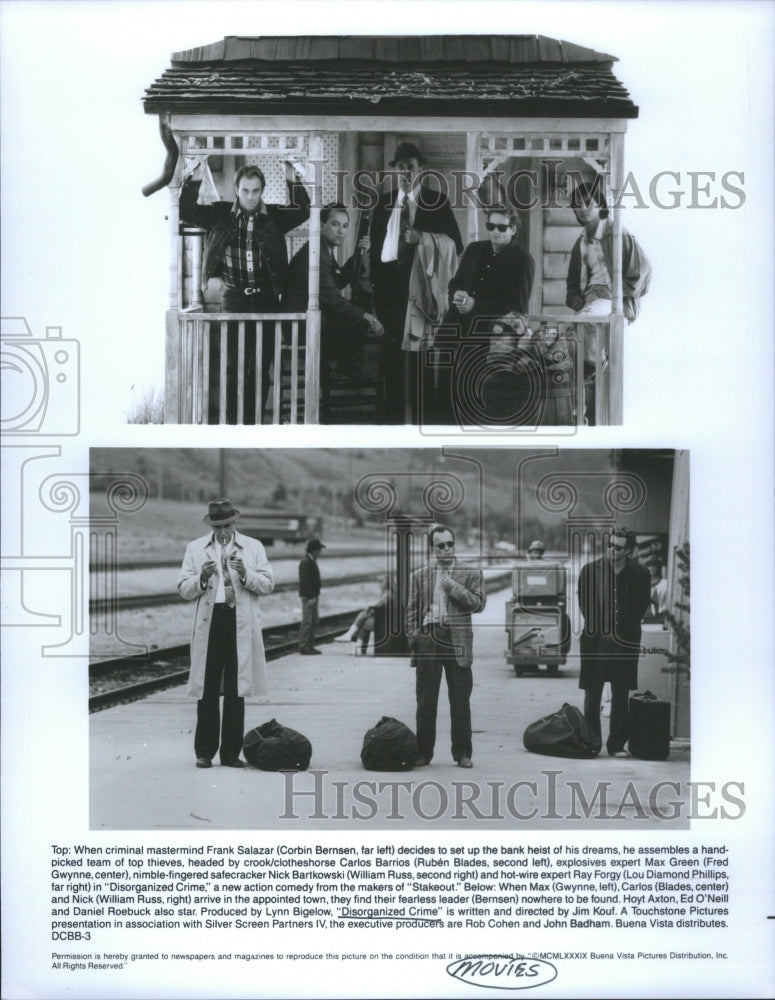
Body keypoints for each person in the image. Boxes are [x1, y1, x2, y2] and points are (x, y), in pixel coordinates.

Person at [179, 159, 310, 423]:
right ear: (237, 190)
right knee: (233, 366)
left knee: (260, 368)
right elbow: (185, 210)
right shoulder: (219, 213)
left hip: (266, 299)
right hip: (234, 297)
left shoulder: (273, 216)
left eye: (256, 191)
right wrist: (193, 176)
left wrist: (291, 175)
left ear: (262, 191)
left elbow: (303, 211)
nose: (250, 197)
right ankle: (232, 423)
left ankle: (254, 424)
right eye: (245, 190)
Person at [177, 498, 274, 769]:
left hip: (239, 622)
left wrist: (246, 575)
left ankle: (231, 753)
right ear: (210, 525)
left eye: (227, 526)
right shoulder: (195, 549)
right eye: (217, 527)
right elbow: (184, 588)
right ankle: (204, 752)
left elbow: (268, 584)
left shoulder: (253, 548)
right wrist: (202, 579)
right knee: (206, 688)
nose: (222, 532)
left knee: (236, 688)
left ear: (235, 522)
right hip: (211, 623)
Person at [369, 142, 463, 423]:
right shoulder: (384, 203)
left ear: (421, 170)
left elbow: (455, 246)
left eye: (411, 167)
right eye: (401, 168)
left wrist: (421, 237)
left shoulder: (438, 202)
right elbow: (375, 253)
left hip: (424, 296)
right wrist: (376, 295)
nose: (406, 173)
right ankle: (394, 429)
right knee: (393, 364)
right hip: (391, 295)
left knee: (424, 361)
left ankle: (426, 428)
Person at [433, 205, 535, 424]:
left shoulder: (523, 261)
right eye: (491, 226)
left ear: (514, 229)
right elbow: (455, 282)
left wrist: (475, 305)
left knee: (472, 399)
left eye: (502, 227)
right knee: (443, 396)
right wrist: (456, 293)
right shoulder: (474, 249)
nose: (495, 232)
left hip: (486, 340)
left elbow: (516, 306)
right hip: (455, 332)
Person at [285, 203, 384, 419]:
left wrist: (358, 254)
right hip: (301, 326)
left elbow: (336, 281)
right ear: (322, 225)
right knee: (359, 316)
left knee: (358, 312)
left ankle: (339, 366)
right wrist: (368, 318)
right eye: (335, 224)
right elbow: (332, 298)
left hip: (312, 320)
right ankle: (342, 366)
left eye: (345, 226)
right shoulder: (318, 253)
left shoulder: (323, 249)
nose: (341, 231)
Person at [565, 181, 651, 423]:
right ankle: (577, 414)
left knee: (586, 343)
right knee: (571, 344)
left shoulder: (617, 233)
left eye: (588, 203)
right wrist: (578, 298)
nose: (582, 208)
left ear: (600, 204)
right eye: (577, 205)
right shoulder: (580, 243)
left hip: (615, 302)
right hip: (591, 303)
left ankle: (596, 368)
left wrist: (613, 292)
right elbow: (572, 286)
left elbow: (643, 270)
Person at [405, 524, 486, 768]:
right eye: (441, 545)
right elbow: (411, 612)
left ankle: (462, 753)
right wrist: (416, 639)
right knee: (426, 701)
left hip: (457, 640)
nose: (447, 549)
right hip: (429, 639)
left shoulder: (470, 573)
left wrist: (452, 586)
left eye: (450, 544)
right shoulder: (419, 576)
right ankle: (423, 753)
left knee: (460, 700)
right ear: (432, 548)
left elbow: (478, 603)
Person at [577, 526, 651, 757]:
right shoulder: (590, 570)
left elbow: (642, 606)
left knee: (621, 692)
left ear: (628, 550)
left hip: (625, 639)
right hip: (595, 639)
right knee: (593, 692)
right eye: (609, 545)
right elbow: (584, 603)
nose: (611, 550)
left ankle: (616, 744)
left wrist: (624, 628)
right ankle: (591, 742)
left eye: (617, 547)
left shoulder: (640, 573)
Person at [298, 538, 325, 655]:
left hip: (313, 596)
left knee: (314, 621)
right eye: (319, 550)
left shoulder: (311, 560)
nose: (320, 552)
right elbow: (305, 582)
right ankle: (304, 646)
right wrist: (310, 596)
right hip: (309, 597)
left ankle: (309, 645)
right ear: (314, 550)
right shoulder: (306, 562)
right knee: (307, 621)